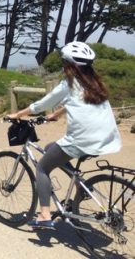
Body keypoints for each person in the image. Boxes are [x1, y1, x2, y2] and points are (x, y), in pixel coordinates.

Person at [7, 41, 122, 229]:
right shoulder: (94, 83)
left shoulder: (68, 84)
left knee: (43, 168)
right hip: (107, 138)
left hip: (83, 140)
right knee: (50, 147)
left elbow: (41, 104)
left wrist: (18, 114)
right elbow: (78, 101)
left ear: (69, 65)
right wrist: (57, 114)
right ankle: (80, 186)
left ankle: (45, 215)